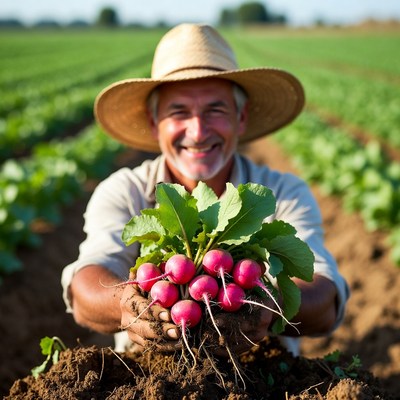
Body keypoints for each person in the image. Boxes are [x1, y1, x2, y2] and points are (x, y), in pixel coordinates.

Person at [61, 23, 349, 356]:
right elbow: (85, 291)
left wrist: (267, 305)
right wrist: (125, 305)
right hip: (150, 376)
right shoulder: (125, 191)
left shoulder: (282, 192)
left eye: (215, 110)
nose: (198, 132)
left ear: (241, 118)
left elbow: (324, 299)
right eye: (179, 112)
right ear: (155, 124)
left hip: (265, 374)